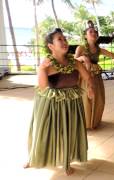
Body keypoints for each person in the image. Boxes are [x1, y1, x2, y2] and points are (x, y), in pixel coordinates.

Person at [24, 28, 94, 175]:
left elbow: (88, 77)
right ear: (51, 46)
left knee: (68, 133)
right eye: (59, 39)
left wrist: (90, 88)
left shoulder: (75, 63)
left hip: (71, 104)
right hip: (51, 105)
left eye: (65, 39)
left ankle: (66, 163)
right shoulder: (47, 65)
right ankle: (33, 158)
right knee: (43, 133)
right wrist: (41, 70)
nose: (64, 42)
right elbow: (43, 88)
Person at [75, 21, 114, 129]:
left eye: (95, 32)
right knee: (86, 99)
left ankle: (93, 122)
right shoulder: (80, 48)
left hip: (97, 78)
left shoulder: (98, 49)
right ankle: (85, 123)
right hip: (85, 77)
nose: (94, 33)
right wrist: (83, 58)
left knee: (98, 98)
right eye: (91, 32)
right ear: (86, 36)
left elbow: (112, 55)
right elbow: (74, 61)